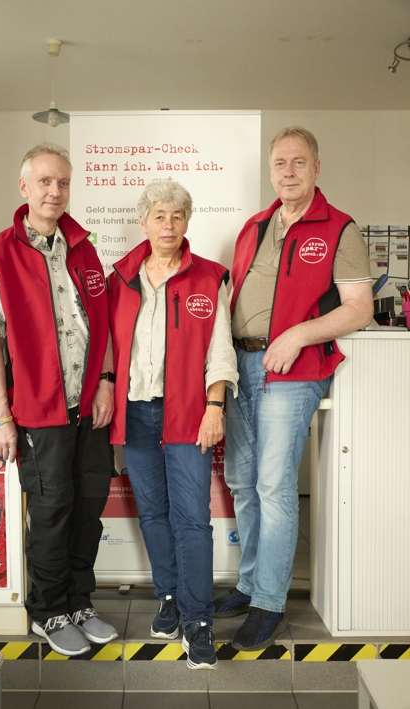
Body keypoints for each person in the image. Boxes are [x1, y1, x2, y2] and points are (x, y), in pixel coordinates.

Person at [212, 127, 374, 651]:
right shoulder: (254, 227)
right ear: (270, 170)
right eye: (280, 163)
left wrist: (298, 335)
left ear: (316, 168)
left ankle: (269, 603)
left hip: (295, 369)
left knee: (273, 486)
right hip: (243, 365)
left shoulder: (339, 228)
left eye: (299, 162)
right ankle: (249, 585)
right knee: (242, 481)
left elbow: (359, 309)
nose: (288, 172)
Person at [0, 143, 118, 656]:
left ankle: (79, 602)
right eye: (44, 181)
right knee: (53, 511)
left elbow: (102, 324)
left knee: (89, 507)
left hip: (89, 407)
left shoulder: (84, 248)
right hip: (39, 410)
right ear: (24, 187)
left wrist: (106, 380)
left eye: (63, 182)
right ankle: (48, 610)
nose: (55, 191)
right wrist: (1, 416)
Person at [108, 180, 238, 670]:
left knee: (193, 520)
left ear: (187, 222)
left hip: (188, 411)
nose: (168, 225)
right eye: (159, 215)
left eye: (177, 216)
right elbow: (109, 347)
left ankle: (198, 620)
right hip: (136, 413)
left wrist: (214, 405)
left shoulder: (210, 277)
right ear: (143, 221)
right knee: (153, 514)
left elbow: (220, 348)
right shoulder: (121, 277)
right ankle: (168, 596)